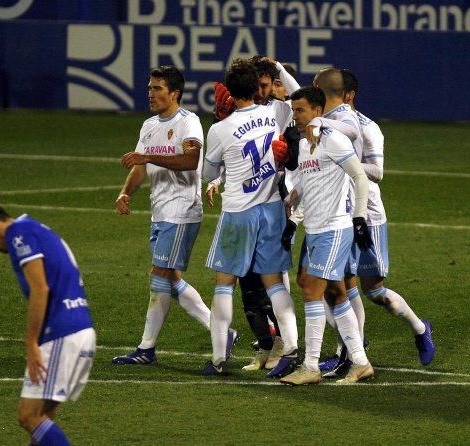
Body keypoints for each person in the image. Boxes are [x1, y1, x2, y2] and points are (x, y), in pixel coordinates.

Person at [112, 66, 229, 366]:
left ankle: (146, 348)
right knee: (170, 278)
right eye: (149, 88)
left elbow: (191, 161)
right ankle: (222, 331)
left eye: (157, 88)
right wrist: (126, 193)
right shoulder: (149, 125)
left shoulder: (188, 122)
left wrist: (148, 156)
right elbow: (140, 168)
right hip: (160, 211)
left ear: (174, 93)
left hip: (182, 211)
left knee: (159, 277)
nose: (150, 93)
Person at [0, 201, 95, 446]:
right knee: (40, 422)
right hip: (79, 329)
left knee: (28, 416)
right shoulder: (34, 228)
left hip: (61, 332)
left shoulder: (18, 233)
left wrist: (31, 342)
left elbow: (40, 288)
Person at [200, 59, 296, 376]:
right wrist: (279, 69)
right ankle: (291, 350)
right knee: (275, 286)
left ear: (229, 91)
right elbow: (296, 97)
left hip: (239, 213)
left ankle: (217, 360)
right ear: (257, 88)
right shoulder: (275, 113)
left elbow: (208, 172)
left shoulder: (220, 129)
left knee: (225, 286)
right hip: (271, 209)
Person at [335, 69, 435, 370]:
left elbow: (377, 172)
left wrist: (343, 160)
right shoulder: (328, 125)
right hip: (339, 212)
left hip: (368, 214)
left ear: (348, 95)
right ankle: (350, 352)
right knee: (338, 286)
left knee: (374, 291)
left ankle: (420, 328)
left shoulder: (368, 128)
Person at [278, 86, 375, 385]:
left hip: (335, 228)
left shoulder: (333, 139)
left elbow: (359, 176)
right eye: (293, 111)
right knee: (335, 292)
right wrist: (294, 220)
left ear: (318, 112)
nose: (295, 117)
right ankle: (360, 362)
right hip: (316, 229)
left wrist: (359, 218)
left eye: (301, 110)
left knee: (310, 289)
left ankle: (310, 366)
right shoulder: (305, 145)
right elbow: (309, 187)